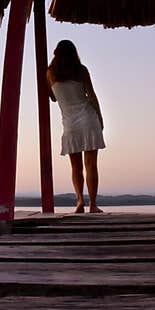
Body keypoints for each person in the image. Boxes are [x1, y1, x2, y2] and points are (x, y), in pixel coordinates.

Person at [46, 40, 105, 213]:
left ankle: (80, 201)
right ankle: (93, 205)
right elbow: (92, 96)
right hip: (88, 119)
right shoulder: (81, 70)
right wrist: (100, 118)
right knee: (91, 164)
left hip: (70, 124)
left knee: (76, 166)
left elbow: (52, 97)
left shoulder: (50, 73)